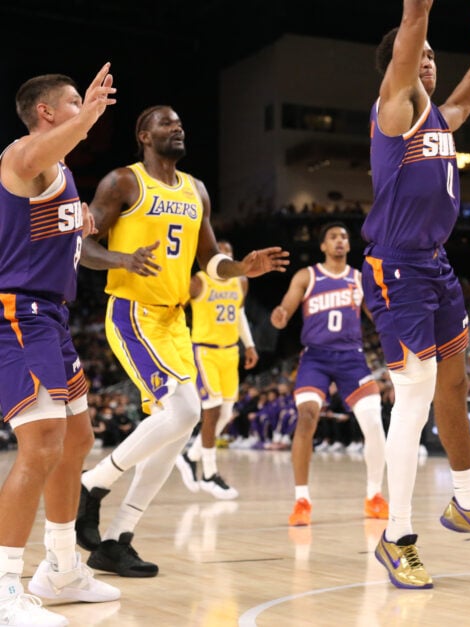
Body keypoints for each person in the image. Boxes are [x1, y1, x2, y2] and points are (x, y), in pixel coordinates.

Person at [75, 105, 289, 577]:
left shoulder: (197, 190)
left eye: (181, 122)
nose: (179, 127)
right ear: (144, 135)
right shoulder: (123, 183)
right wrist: (122, 259)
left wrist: (242, 268)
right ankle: (93, 483)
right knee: (187, 412)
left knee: (179, 424)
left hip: (175, 321)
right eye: (167, 122)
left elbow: (210, 259)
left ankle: (117, 539)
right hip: (134, 313)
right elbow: (81, 245)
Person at [364, 1, 470, 590]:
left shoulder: (436, 121)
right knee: (415, 393)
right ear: (401, 67)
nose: (428, 60)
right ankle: (395, 536)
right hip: (396, 270)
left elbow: (464, 102)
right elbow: (408, 40)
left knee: (454, 383)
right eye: (421, 55)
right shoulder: (394, 108)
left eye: (433, 55)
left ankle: (464, 500)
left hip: (435, 266)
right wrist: (418, 13)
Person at [0, 65, 121, 627]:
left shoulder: (60, 173)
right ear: (46, 113)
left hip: (52, 315)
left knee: (77, 438)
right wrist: (90, 116)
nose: (85, 105)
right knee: (43, 442)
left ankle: (63, 568)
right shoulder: (23, 153)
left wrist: (83, 223)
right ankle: (4, 588)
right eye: (75, 101)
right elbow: (28, 161)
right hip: (17, 314)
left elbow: (59, 231)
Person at [270, 222, 388, 525]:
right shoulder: (307, 276)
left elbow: (377, 316)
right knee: (307, 415)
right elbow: (285, 310)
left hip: (352, 359)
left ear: (349, 246)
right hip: (316, 358)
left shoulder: (360, 279)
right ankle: (302, 500)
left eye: (344, 237)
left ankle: (374, 495)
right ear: (323, 245)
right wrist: (280, 316)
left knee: (374, 421)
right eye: (333, 237)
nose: (339, 241)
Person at [174, 240, 258, 500]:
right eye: (221, 253)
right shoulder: (198, 282)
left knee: (226, 412)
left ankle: (190, 456)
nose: (226, 257)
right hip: (205, 351)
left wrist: (250, 344)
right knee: (211, 411)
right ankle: (209, 473)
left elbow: (239, 313)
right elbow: (174, 309)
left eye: (230, 253)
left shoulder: (241, 281)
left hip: (230, 351)